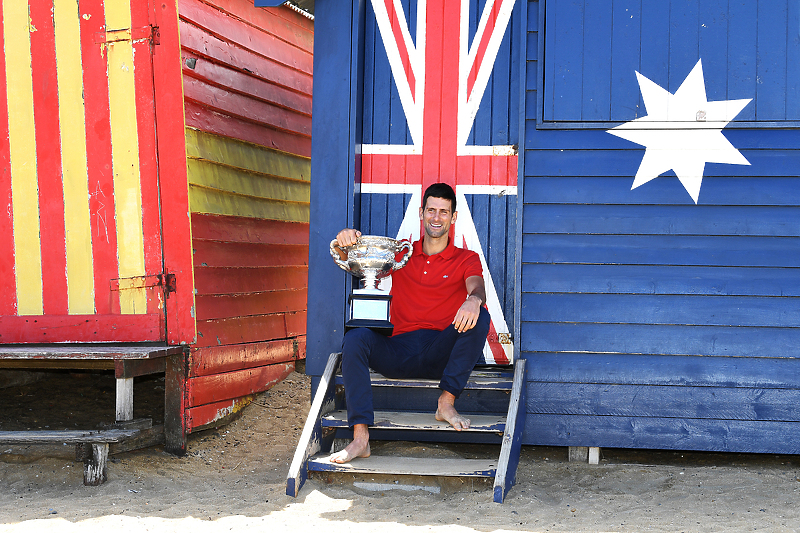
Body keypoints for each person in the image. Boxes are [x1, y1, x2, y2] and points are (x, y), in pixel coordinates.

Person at [329, 182, 491, 464]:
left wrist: (474, 300)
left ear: (453, 218)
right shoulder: (399, 255)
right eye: (431, 210)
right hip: (398, 350)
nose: (437, 217)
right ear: (422, 213)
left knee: (481, 316)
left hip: (440, 350)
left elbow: (476, 287)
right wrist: (347, 241)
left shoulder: (466, 258)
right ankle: (360, 438)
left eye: (444, 211)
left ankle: (446, 402)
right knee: (355, 338)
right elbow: (353, 259)